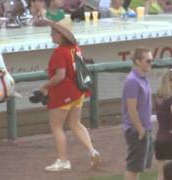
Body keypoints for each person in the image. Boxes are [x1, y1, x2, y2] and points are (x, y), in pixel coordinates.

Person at [39, 19, 100, 172]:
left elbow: (60, 76)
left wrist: (45, 86)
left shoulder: (60, 51)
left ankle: (63, 160)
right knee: (75, 123)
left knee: (57, 127)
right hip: (78, 92)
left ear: (61, 36)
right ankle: (92, 150)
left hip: (63, 93)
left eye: (53, 32)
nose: (51, 35)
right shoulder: (75, 48)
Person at [122, 47, 154, 180]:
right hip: (136, 130)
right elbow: (131, 108)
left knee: (138, 167)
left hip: (145, 128)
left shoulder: (142, 78)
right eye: (148, 61)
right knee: (133, 168)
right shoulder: (132, 81)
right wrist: (140, 130)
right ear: (138, 61)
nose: (151, 63)